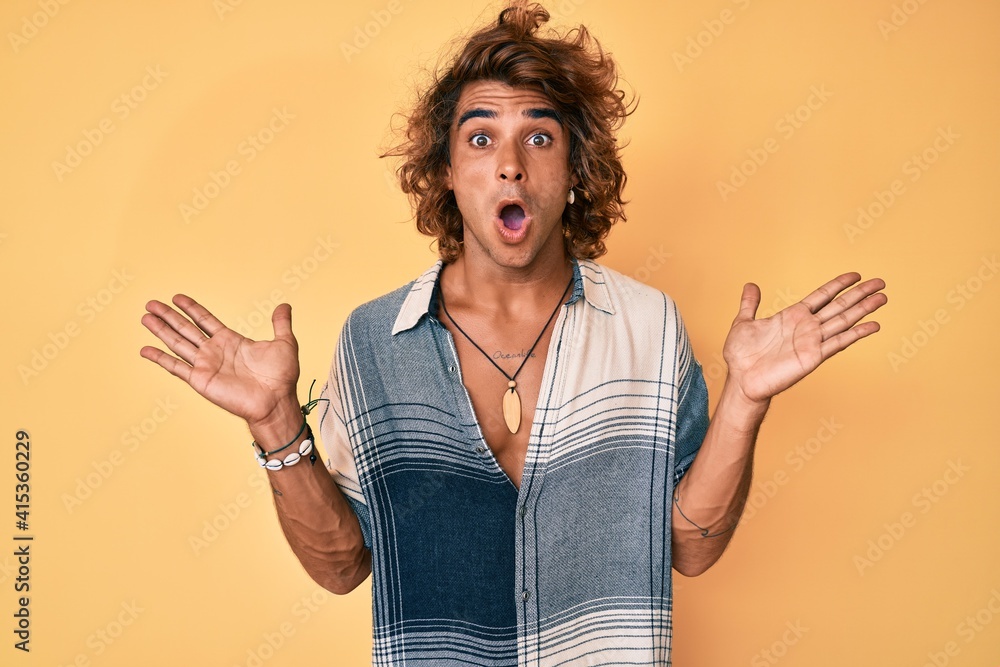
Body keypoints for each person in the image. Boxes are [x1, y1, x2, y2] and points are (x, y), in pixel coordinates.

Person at [140, 2, 887, 664]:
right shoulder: (372, 341)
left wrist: (745, 402)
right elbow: (342, 566)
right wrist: (275, 424)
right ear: (446, 173)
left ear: (574, 169)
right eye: (479, 139)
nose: (508, 165)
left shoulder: (650, 326)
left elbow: (691, 546)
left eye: (538, 138)